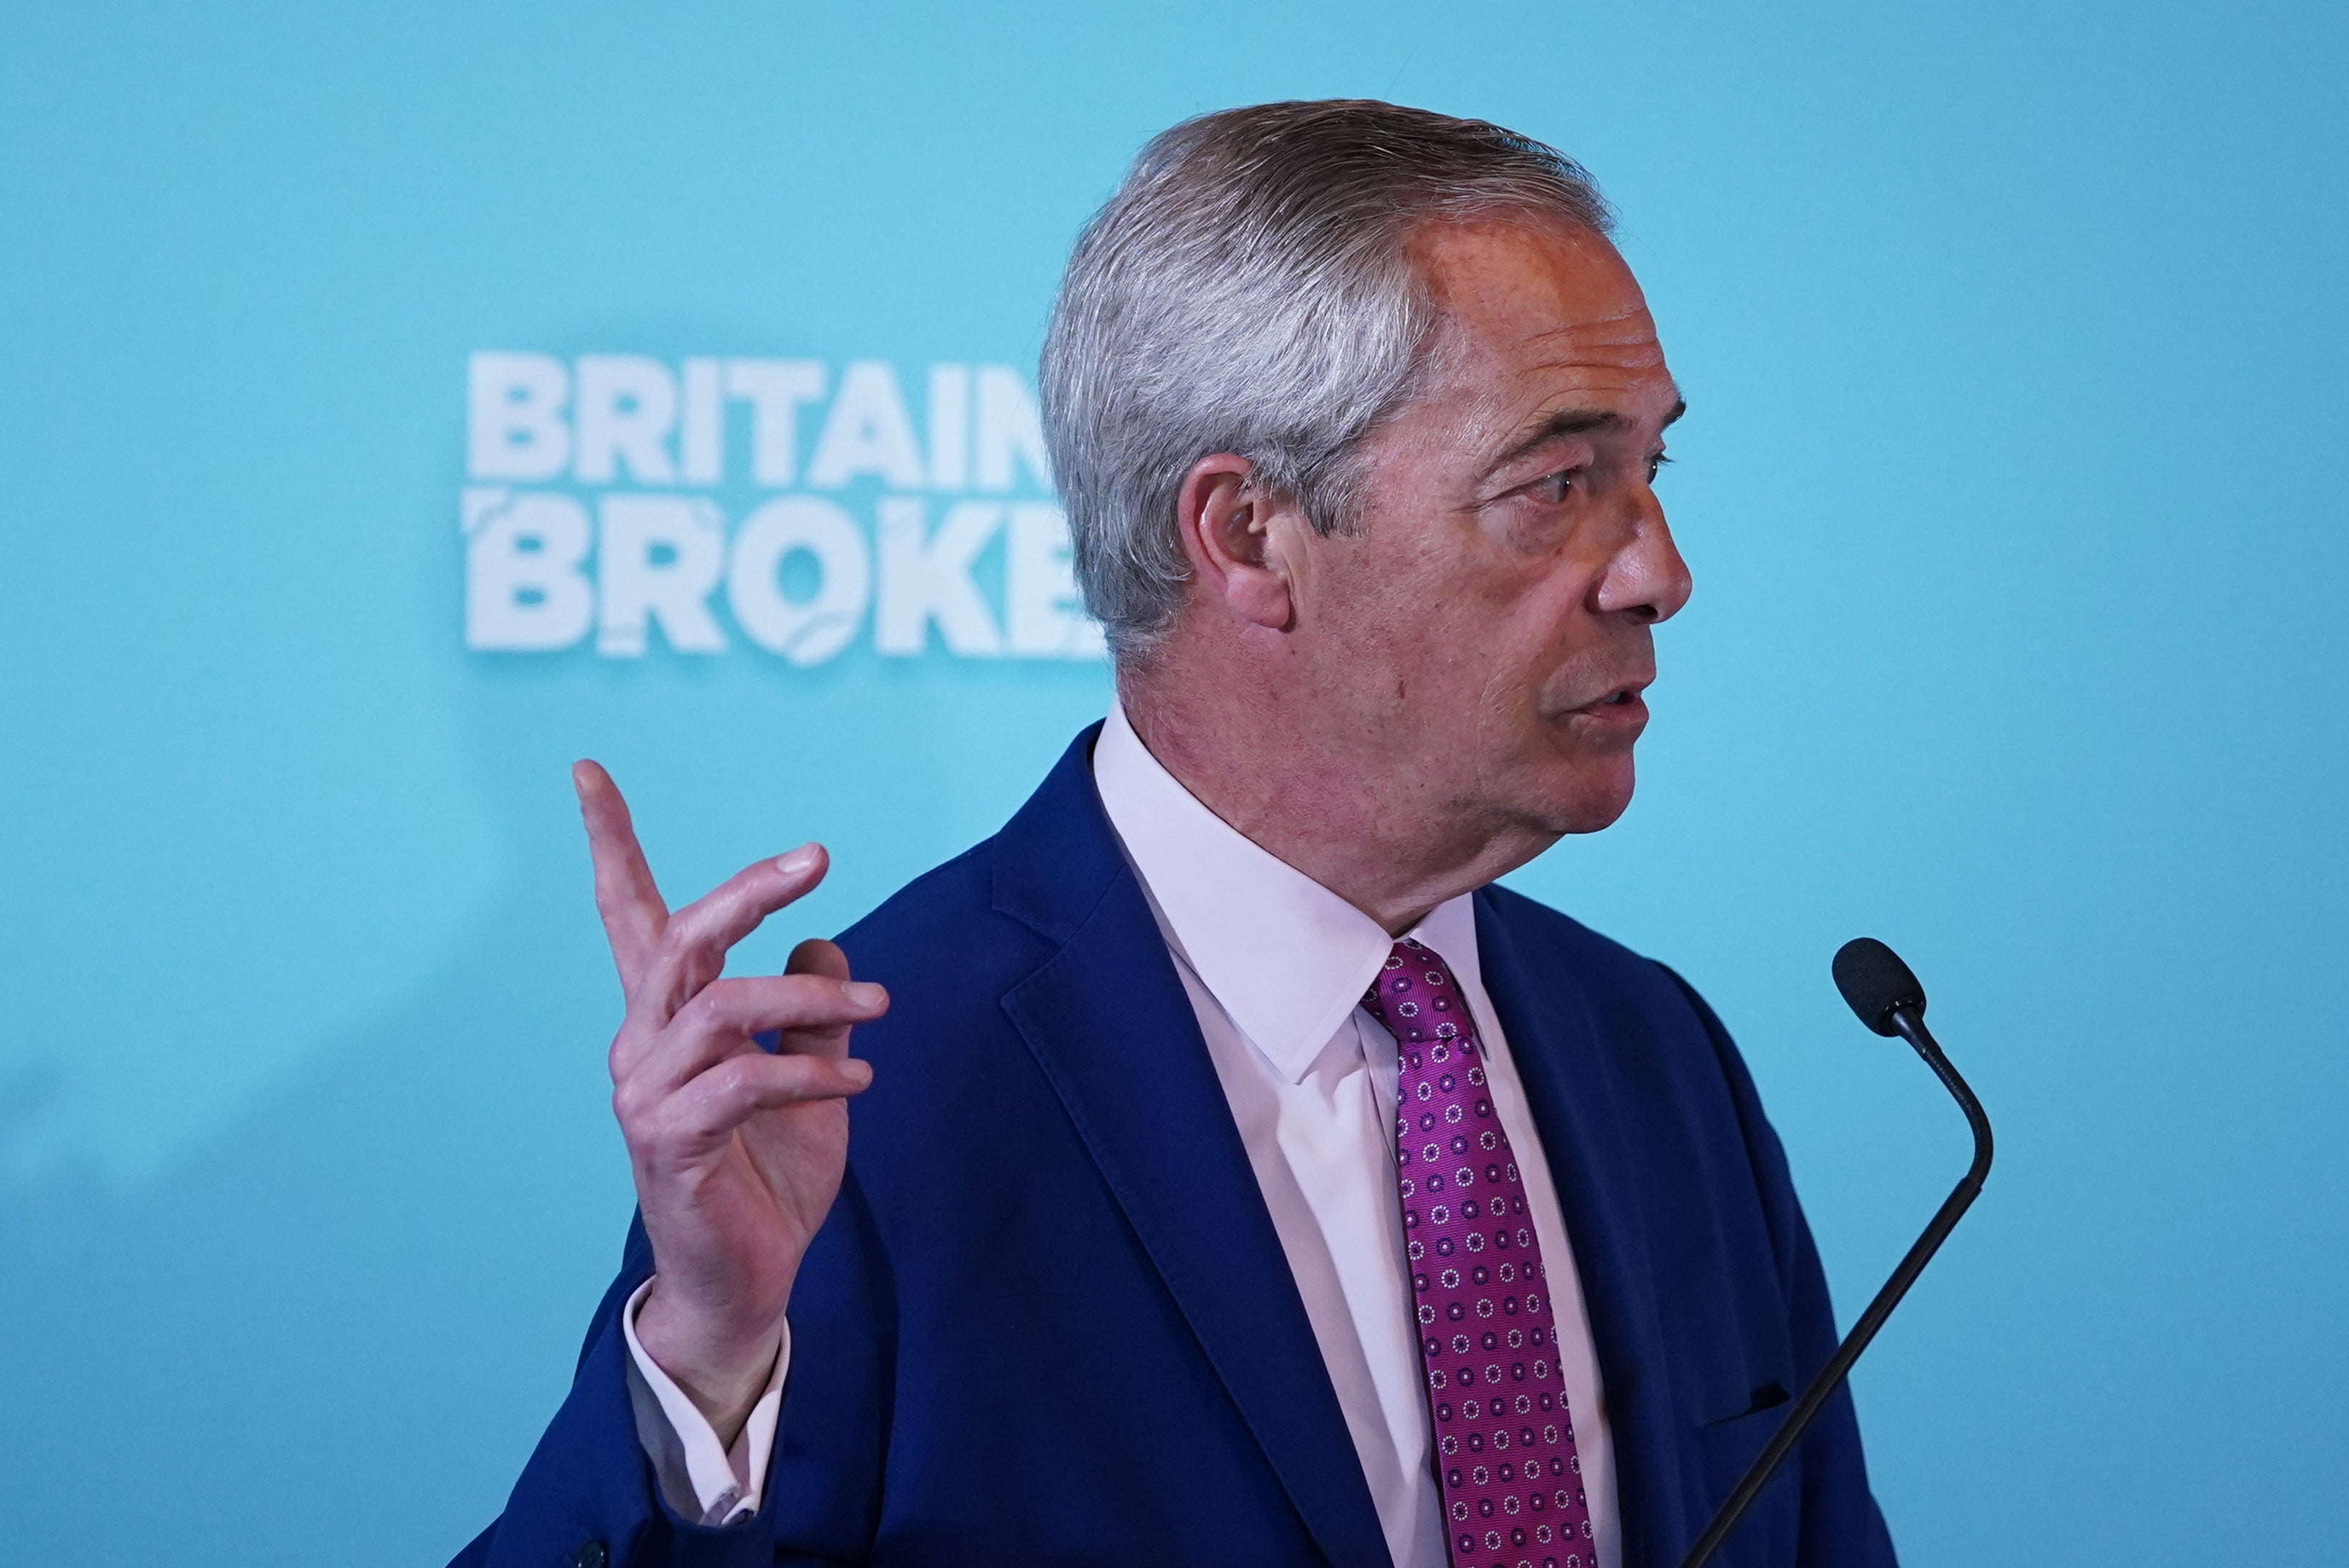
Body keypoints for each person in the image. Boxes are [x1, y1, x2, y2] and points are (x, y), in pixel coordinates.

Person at [453, 100, 1897, 1568]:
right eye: (1556, 484)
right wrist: (705, 1360)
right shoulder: (867, 1100)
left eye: (1653, 471)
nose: (1659, 569)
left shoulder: (1652, 1054)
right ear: (1249, 536)